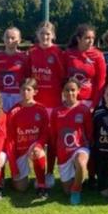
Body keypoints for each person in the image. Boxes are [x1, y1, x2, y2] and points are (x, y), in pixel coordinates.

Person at [28, 21, 65, 188]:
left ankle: (49, 173)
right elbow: (28, 77)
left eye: (48, 34)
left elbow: (63, 77)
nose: (45, 37)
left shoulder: (58, 53)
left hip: (54, 104)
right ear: (38, 35)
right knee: (37, 139)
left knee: (51, 139)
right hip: (36, 104)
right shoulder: (31, 52)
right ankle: (39, 174)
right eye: (42, 34)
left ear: (53, 36)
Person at [49, 79, 92, 205]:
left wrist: (89, 151)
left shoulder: (84, 109)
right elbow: (54, 135)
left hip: (80, 148)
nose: (70, 93)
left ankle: (76, 189)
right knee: (66, 190)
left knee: (81, 161)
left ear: (78, 91)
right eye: (67, 90)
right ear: (63, 91)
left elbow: (89, 133)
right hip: (63, 153)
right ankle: (74, 181)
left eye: (73, 90)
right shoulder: (56, 111)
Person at [6, 78, 50, 198]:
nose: (25, 92)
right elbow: (10, 141)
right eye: (23, 89)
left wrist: (39, 145)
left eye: (28, 89)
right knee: (21, 188)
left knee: (38, 152)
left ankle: (41, 185)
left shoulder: (41, 109)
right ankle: (17, 178)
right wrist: (14, 168)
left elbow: (45, 133)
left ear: (35, 91)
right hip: (20, 151)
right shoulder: (13, 112)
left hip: (33, 148)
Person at [65, 24, 107, 108]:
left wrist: (94, 105)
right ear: (78, 39)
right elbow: (62, 77)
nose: (91, 41)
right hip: (69, 100)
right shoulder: (68, 54)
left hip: (88, 101)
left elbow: (100, 83)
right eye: (87, 38)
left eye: (93, 38)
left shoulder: (98, 55)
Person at [0, 27, 30, 113]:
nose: (9, 40)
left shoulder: (24, 58)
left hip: (18, 95)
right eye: (7, 37)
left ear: (19, 40)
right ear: (3, 39)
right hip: (0, 95)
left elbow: (28, 78)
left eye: (13, 38)